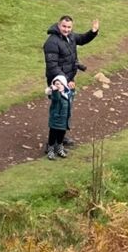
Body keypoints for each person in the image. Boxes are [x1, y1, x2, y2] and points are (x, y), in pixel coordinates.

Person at [43, 13, 100, 144]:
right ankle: (51, 144)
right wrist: (64, 82)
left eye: (69, 27)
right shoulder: (51, 42)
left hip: (69, 80)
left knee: (66, 111)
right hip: (58, 83)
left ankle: (61, 139)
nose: (67, 29)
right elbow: (52, 66)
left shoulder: (71, 37)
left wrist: (93, 32)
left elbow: (82, 39)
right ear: (58, 25)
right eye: (64, 26)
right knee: (58, 113)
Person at [46, 75, 74, 159]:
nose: (57, 85)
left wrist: (72, 89)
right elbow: (56, 98)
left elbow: (71, 99)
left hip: (64, 119)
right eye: (55, 84)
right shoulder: (55, 95)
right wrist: (54, 90)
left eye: (59, 84)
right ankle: (50, 150)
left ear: (64, 84)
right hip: (55, 119)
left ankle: (59, 148)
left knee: (61, 135)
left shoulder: (67, 94)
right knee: (53, 135)